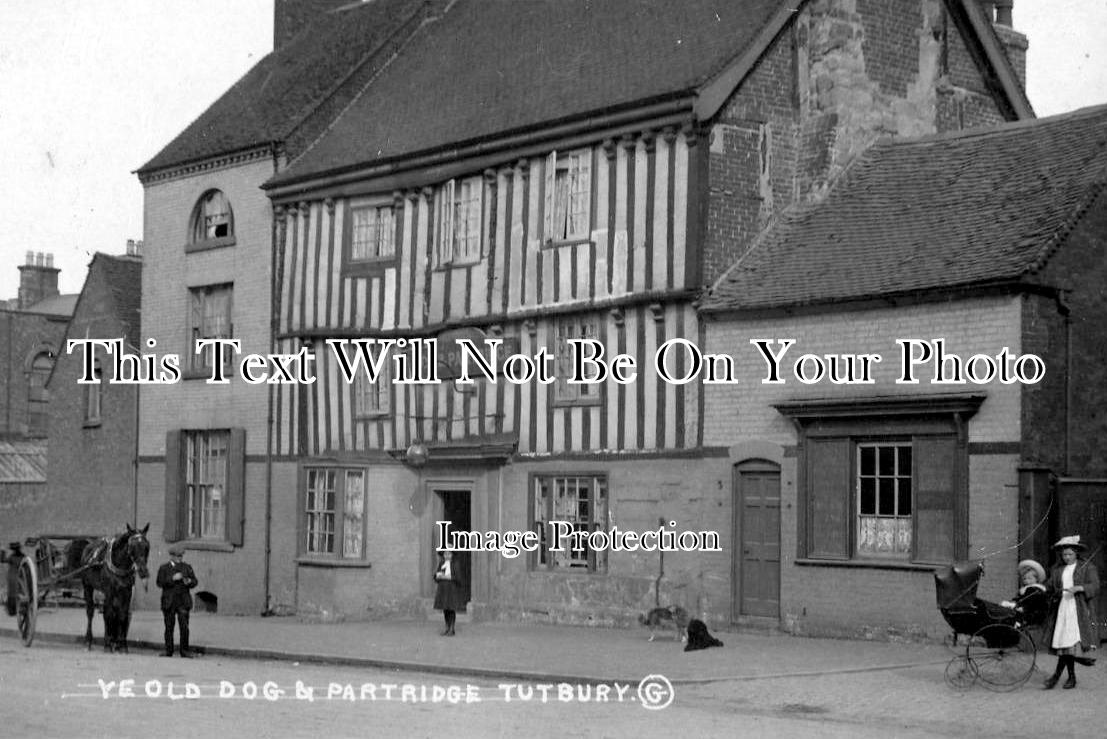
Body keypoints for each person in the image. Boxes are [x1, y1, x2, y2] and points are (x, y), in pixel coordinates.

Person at [1041, 535, 1100, 689]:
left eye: (1070, 554)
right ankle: (1070, 677)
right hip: (1062, 609)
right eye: (1064, 554)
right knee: (1065, 645)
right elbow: (1050, 586)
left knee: (1069, 644)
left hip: (1078, 609)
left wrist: (1080, 587)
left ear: (1076, 553)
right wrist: (1041, 587)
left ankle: (1057, 677)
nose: (1066, 557)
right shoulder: (1058, 570)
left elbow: (1095, 586)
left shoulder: (1087, 567)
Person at [156, 544, 198, 658]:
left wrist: (189, 581)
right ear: (171, 556)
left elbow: (195, 581)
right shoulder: (164, 568)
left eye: (181, 556)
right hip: (169, 601)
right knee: (169, 627)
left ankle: (184, 651)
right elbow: (159, 582)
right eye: (177, 556)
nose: (180, 558)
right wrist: (172, 579)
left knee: (184, 627)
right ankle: (168, 650)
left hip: (183, 601)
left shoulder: (186, 567)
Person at [999, 559, 1049, 626]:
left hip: (1031, 615)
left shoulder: (1035, 590)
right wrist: (1012, 603)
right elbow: (1019, 599)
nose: (1027, 581)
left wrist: (1022, 607)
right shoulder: (1025, 589)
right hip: (1023, 610)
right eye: (1025, 579)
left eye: (1030, 578)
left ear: (1036, 579)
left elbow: (1030, 602)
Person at [433, 549, 464, 636]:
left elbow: (458, 578)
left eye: (449, 554)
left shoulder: (455, 564)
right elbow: (436, 576)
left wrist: (448, 577)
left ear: (452, 555)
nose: (447, 556)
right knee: (445, 609)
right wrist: (437, 576)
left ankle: (452, 628)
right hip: (443, 589)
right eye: (445, 554)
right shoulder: (441, 564)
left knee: (451, 609)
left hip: (451, 589)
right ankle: (447, 627)